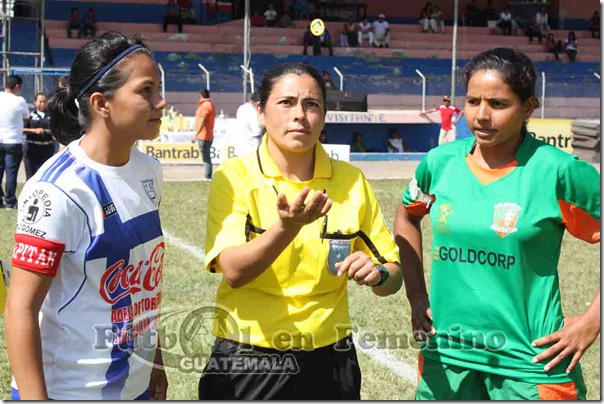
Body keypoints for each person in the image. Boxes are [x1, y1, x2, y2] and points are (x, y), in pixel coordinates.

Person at [395, 47, 600, 400]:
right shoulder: (439, 164)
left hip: (531, 361)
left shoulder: (559, 171)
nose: (481, 116)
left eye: (498, 104)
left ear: (528, 107)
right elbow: (407, 215)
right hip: (447, 356)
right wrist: (416, 295)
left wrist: (593, 320)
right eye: (473, 101)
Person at [199, 61, 402, 400]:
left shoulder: (351, 182)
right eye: (286, 102)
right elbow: (234, 271)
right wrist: (286, 228)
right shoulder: (234, 177)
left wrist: (379, 274)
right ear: (261, 112)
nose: (300, 114)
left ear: (324, 115)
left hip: (331, 356)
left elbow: (393, 278)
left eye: (312, 104)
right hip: (249, 354)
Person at [5, 32, 169, 400]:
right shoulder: (56, 190)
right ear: (101, 103)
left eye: (159, 88)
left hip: (135, 388)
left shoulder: (149, 171)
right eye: (146, 91)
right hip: (72, 392)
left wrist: (154, 363)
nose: (161, 101)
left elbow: (144, 290)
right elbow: (20, 309)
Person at [0, 75, 29, 209]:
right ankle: (10, 201)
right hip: (13, 140)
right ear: (17, 86)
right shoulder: (19, 100)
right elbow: (27, 116)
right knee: (11, 173)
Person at [22, 93, 54, 180]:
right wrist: (35, 131)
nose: (42, 104)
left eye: (45, 102)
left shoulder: (51, 116)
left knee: (45, 174)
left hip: (47, 147)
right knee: (31, 174)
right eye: (40, 102)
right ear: (34, 102)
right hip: (32, 147)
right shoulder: (30, 116)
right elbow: (22, 129)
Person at [190, 88, 216, 180]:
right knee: (206, 156)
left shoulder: (204, 106)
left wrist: (196, 134)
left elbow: (203, 120)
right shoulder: (210, 105)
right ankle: (208, 175)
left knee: (206, 157)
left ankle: (207, 176)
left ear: (200, 96)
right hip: (208, 134)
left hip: (203, 135)